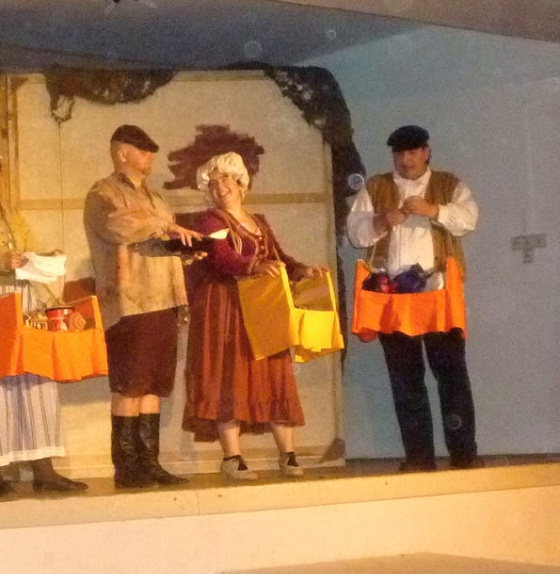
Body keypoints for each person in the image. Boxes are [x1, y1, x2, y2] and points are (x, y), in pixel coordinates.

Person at [0, 137, 87, 497]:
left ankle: (44, 470)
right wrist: (0, 261)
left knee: (33, 381)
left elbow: (32, 259)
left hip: (22, 302)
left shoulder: (13, 215)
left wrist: (54, 295)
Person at [346, 125, 482, 472]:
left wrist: (433, 210)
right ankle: (419, 458)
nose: (405, 160)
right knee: (406, 382)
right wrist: (383, 220)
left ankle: (464, 456)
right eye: (399, 154)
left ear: (426, 152)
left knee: (451, 378)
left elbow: (468, 219)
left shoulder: (449, 184)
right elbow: (356, 233)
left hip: (438, 293)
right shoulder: (376, 187)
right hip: (392, 297)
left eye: (412, 152)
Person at [182, 151, 323, 481]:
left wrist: (302, 270)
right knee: (228, 374)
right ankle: (233, 457)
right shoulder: (211, 220)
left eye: (226, 180)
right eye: (213, 183)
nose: (221, 188)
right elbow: (220, 256)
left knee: (273, 373)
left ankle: (287, 454)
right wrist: (254, 266)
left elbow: (278, 256)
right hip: (226, 307)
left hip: (262, 305)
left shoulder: (258, 221)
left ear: (241, 183)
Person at [83, 125, 201, 489]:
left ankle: (150, 462)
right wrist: (166, 227)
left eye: (150, 150)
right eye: (142, 150)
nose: (150, 156)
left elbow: (155, 241)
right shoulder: (103, 193)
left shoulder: (156, 197)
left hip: (164, 297)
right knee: (130, 385)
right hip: (130, 300)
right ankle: (126, 467)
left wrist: (185, 248)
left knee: (154, 385)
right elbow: (119, 227)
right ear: (122, 153)